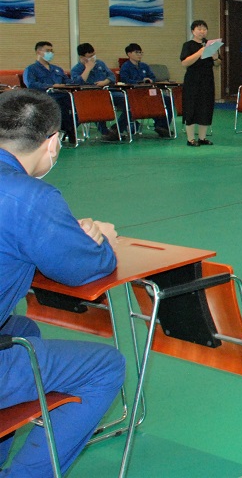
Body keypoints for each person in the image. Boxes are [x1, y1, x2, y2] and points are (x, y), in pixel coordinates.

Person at [0, 89, 126, 476]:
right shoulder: (30, 197)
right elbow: (85, 268)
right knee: (106, 367)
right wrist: (99, 239)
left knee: (23, 329)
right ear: (52, 142)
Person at [22, 41, 76, 145]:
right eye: (47, 51)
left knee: (76, 105)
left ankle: (68, 130)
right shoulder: (31, 69)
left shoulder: (57, 69)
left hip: (62, 96)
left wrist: (70, 84)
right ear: (38, 52)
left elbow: (67, 81)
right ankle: (67, 132)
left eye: (52, 51)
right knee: (61, 107)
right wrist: (51, 86)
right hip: (43, 98)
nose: (50, 53)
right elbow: (31, 84)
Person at [69, 42, 124, 141]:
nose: (93, 57)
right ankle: (105, 132)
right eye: (90, 56)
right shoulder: (76, 69)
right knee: (97, 105)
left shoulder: (100, 64)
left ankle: (117, 129)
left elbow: (111, 76)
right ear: (82, 57)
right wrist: (88, 69)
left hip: (107, 92)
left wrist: (105, 82)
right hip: (89, 96)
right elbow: (77, 83)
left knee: (128, 102)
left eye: (94, 54)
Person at [119, 43, 173, 138]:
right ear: (129, 54)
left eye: (141, 53)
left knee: (167, 100)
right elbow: (125, 80)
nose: (139, 55)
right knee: (134, 105)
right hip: (134, 94)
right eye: (137, 52)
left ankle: (162, 126)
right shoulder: (125, 67)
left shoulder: (144, 66)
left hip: (148, 92)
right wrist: (140, 82)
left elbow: (153, 77)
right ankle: (118, 129)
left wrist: (150, 80)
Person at [180, 19, 218, 146]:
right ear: (193, 31)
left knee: (206, 107)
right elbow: (184, 62)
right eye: (199, 29)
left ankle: (202, 137)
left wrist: (215, 58)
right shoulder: (188, 45)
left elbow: (218, 63)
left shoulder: (210, 45)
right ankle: (190, 139)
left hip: (207, 80)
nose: (202, 31)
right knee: (191, 107)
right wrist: (199, 52)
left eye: (204, 29)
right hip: (192, 80)